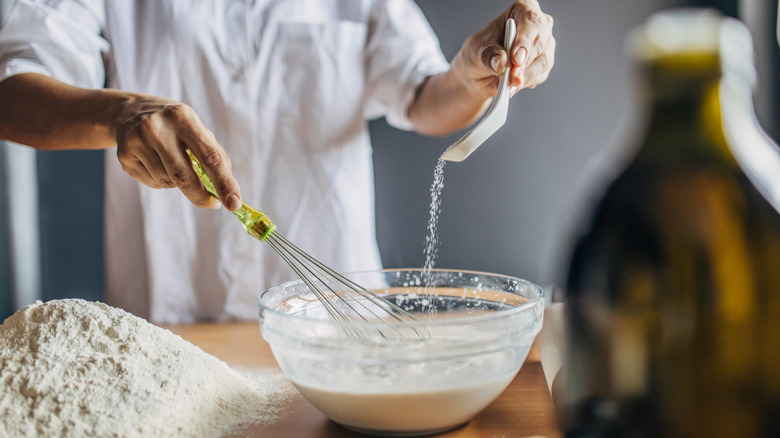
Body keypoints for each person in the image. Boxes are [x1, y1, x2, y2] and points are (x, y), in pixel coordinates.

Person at [0, 0, 555, 323]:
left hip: (337, 321)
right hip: (175, 320)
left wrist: (469, 74)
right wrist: (123, 114)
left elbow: (423, 97)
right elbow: (12, 94)